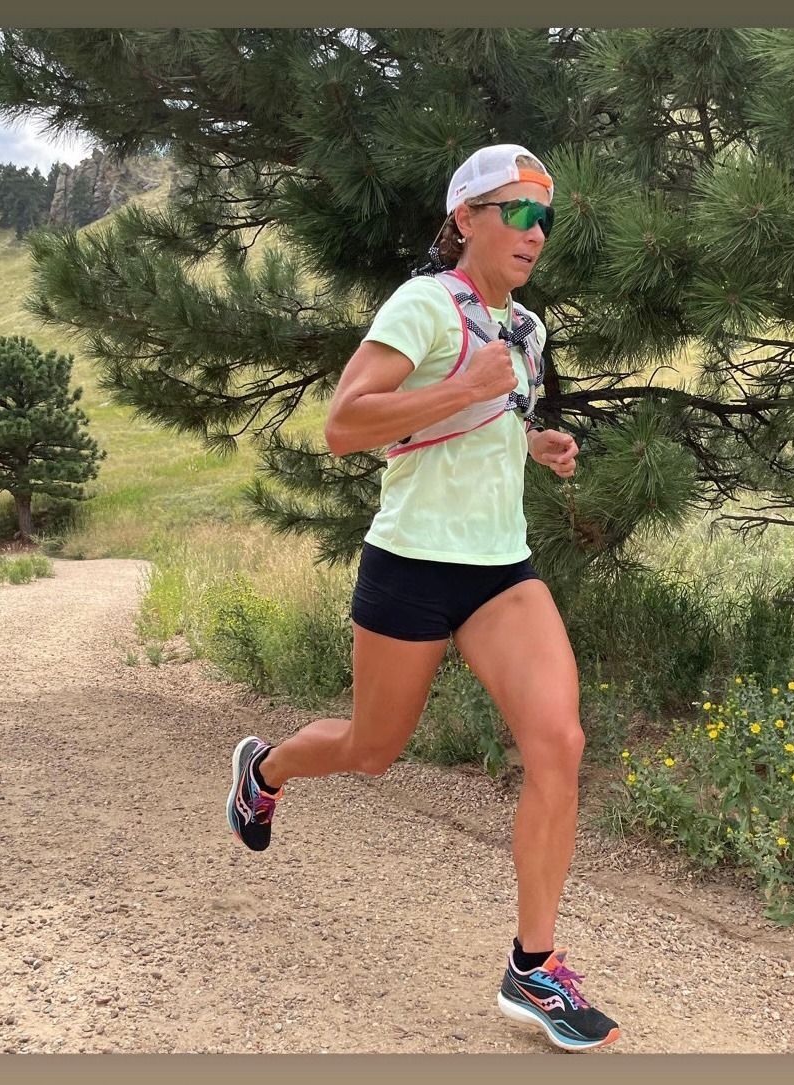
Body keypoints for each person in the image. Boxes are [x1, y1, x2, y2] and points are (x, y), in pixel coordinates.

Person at [226, 144, 620, 1053]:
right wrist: (459, 386)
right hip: (409, 564)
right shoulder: (424, 304)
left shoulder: (526, 328)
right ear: (468, 218)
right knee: (372, 749)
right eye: (518, 211)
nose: (535, 233)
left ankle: (534, 966)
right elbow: (343, 425)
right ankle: (265, 768)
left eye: (545, 217)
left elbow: (491, 419)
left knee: (559, 740)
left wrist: (536, 442)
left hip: (499, 570)